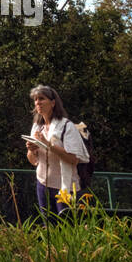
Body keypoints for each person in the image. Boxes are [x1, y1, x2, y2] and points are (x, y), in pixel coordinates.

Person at [26, 84, 89, 217]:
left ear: (53, 103)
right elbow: (33, 161)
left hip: (65, 188)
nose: (38, 102)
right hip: (42, 185)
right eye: (36, 99)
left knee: (67, 228)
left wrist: (49, 145)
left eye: (41, 98)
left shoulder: (67, 126)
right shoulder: (37, 127)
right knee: (49, 227)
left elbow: (74, 159)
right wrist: (31, 150)